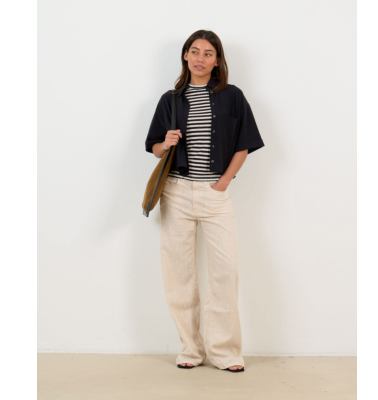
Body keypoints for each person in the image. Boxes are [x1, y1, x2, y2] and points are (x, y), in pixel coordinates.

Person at [145, 30, 265, 372]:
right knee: (179, 274)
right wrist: (166, 143)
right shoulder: (170, 99)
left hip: (215, 193)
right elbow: (155, 148)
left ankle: (225, 352)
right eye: (194, 51)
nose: (200, 58)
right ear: (185, 55)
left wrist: (224, 182)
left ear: (217, 60)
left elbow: (244, 144)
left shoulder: (232, 96)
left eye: (208, 53)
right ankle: (191, 349)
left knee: (225, 271)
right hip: (176, 192)